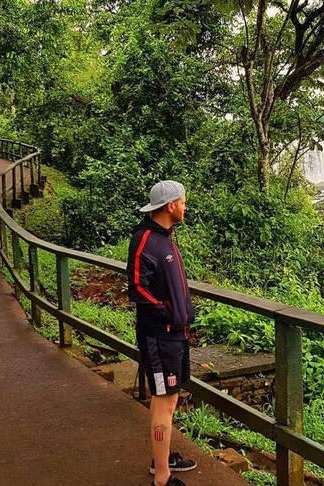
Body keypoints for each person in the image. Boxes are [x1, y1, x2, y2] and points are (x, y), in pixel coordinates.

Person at [127, 180, 197, 486]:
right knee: (163, 400)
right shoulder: (145, 239)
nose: (184, 206)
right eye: (182, 202)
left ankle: (162, 456)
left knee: (171, 396)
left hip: (174, 333)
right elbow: (137, 287)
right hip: (160, 335)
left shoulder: (165, 237)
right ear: (170, 206)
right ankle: (162, 477)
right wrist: (167, 312)